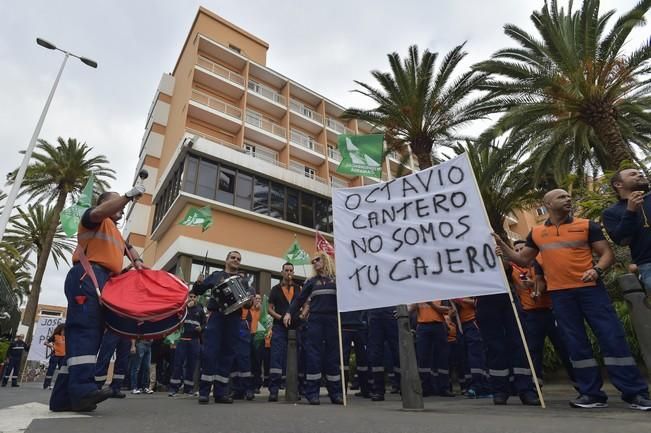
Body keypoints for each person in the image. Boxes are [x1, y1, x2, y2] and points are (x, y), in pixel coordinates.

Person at [495, 188, 651, 410]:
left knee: (611, 338)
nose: (567, 199)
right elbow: (523, 258)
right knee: (576, 345)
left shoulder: (587, 225)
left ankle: (635, 393)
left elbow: (607, 254)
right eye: (561, 197)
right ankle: (591, 394)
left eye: (568, 197)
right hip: (560, 295)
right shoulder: (537, 233)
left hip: (590, 291)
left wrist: (596, 270)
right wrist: (503, 247)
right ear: (547, 203)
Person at [50, 186, 145, 412]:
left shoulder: (115, 233)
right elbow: (98, 213)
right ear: (104, 204)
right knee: (86, 331)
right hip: (87, 274)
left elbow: (129, 249)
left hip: (104, 281)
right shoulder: (93, 218)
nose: (122, 208)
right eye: (118, 203)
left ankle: (63, 398)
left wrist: (138, 263)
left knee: (82, 338)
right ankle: (83, 391)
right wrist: (128, 196)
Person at [191, 251, 254, 404]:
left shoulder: (243, 281)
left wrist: (249, 301)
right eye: (233, 258)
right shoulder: (216, 275)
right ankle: (204, 392)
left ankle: (220, 393)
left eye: (238, 259)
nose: (236, 260)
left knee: (227, 354)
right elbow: (198, 291)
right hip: (217, 317)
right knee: (210, 352)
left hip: (234, 319)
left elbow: (249, 303)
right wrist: (198, 283)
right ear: (226, 260)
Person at [511, 241, 574, 388]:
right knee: (533, 349)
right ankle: (536, 382)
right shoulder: (513, 270)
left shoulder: (541, 263)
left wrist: (534, 285)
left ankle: (578, 380)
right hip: (530, 314)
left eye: (522, 248)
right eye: (517, 250)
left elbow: (549, 283)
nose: (520, 251)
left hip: (550, 310)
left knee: (563, 346)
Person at [284, 251, 343, 405]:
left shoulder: (337, 280)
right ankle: (312, 394)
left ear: (325, 260)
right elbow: (299, 300)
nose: (314, 263)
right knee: (313, 356)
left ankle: (336, 393)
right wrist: (289, 313)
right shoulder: (311, 282)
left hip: (332, 320)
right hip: (315, 320)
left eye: (317, 260)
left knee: (333, 356)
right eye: (313, 261)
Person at [603, 168, 651, 290]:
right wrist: (630, 211)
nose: (640, 174)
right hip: (648, 263)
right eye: (633, 174)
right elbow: (622, 240)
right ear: (618, 184)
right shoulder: (611, 212)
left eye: (640, 173)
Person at [267, 262, 302, 401]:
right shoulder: (275, 289)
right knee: (276, 357)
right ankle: (273, 391)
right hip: (279, 327)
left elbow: (306, 305)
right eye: (286, 270)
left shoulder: (299, 288)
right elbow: (269, 309)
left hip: (296, 326)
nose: (289, 272)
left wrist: (303, 314)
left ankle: (294, 389)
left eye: (291, 270)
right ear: (282, 272)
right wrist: (280, 318)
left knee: (296, 357)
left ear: (293, 272)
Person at [452, 298, 491, 398]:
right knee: (467, 358)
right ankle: (472, 385)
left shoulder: (470, 287)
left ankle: (480, 386)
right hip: (462, 325)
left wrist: (460, 300)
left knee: (476, 356)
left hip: (473, 322)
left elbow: (479, 302)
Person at [168, 293, 205, 396]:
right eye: (190, 297)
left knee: (191, 365)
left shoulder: (200, 310)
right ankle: (173, 389)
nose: (192, 299)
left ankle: (188, 389)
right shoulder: (183, 309)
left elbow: (205, 323)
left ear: (196, 298)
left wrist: (201, 328)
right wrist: (186, 308)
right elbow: (176, 321)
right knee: (178, 364)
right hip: (183, 340)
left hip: (194, 341)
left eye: (194, 297)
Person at [366, 306, 400, 402]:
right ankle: (378, 390)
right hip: (375, 315)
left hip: (391, 314)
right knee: (376, 355)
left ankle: (403, 387)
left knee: (397, 353)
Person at [340, 309, 370, 398]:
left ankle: (364, 389)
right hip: (352, 325)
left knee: (362, 360)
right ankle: (343, 390)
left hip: (352, 325)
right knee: (344, 360)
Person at [94, 329, 130, 398]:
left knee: (123, 362)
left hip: (127, 331)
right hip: (113, 328)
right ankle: (97, 386)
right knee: (104, 358)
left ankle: (116, 388)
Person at [44, 325, 65, 389]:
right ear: (60, 330)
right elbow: (45, 342)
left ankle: (61, 385)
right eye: (63, 330)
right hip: (55, 355)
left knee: (63, 370)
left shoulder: (66, 337)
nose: (64, 332)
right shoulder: (55, 336)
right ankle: (47, 384)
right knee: (51, 370)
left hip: (63, 356)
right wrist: (50, 346)